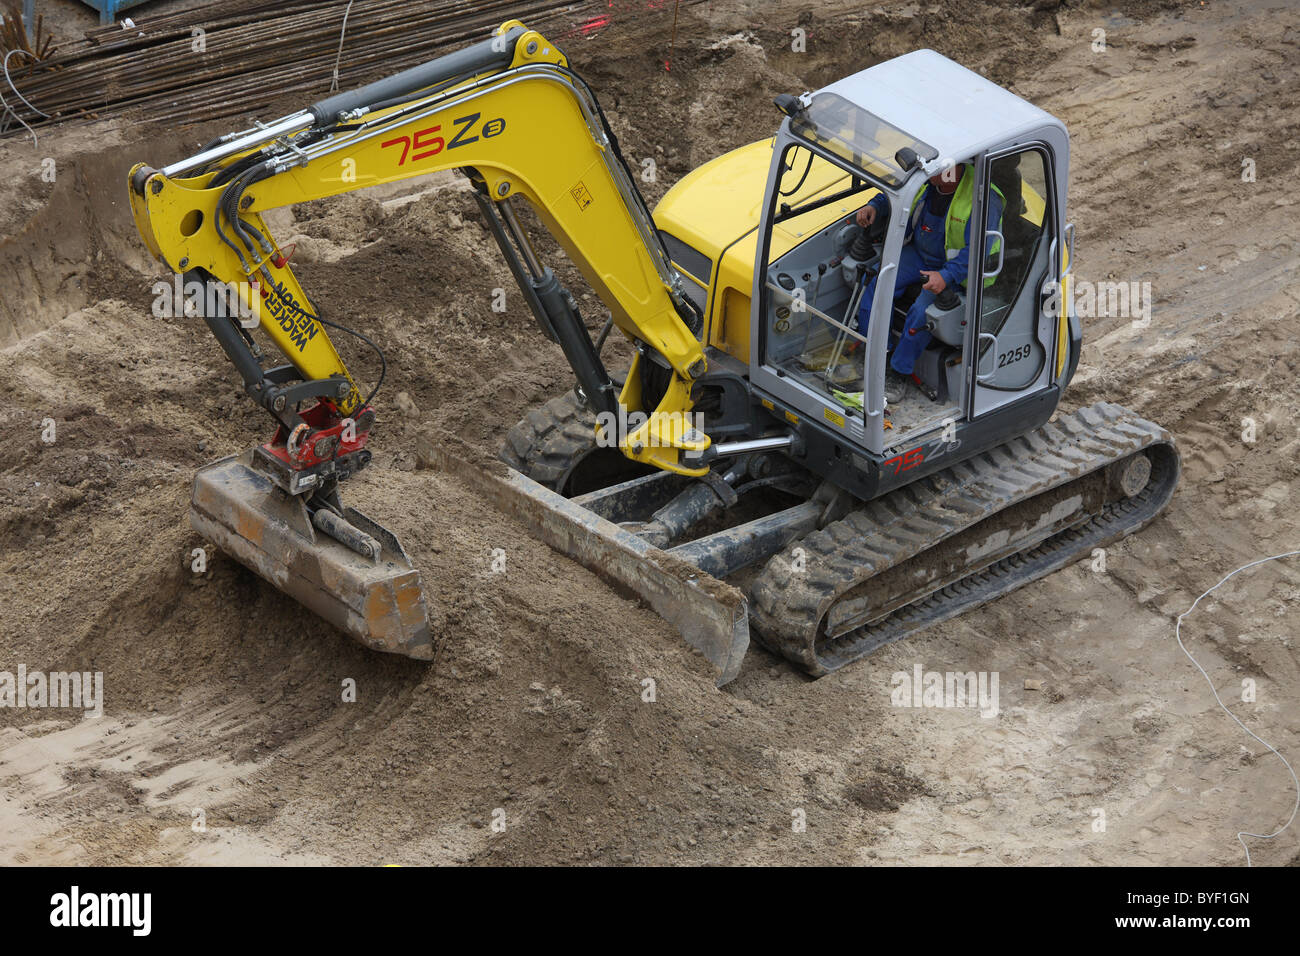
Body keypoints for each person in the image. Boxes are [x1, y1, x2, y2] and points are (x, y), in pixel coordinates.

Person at [852, 162, 1003, 400]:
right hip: (920, 254)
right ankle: (874, 353)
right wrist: (875, 206)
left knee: (923, 312)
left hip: (956, 269)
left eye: (935, 170)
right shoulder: (929, 179)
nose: (926, 173)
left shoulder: (984, 198)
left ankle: (898, 372)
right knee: (879, 282)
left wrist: (946, 276)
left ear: (953, 168)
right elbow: (897, 192)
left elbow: (977, 251)